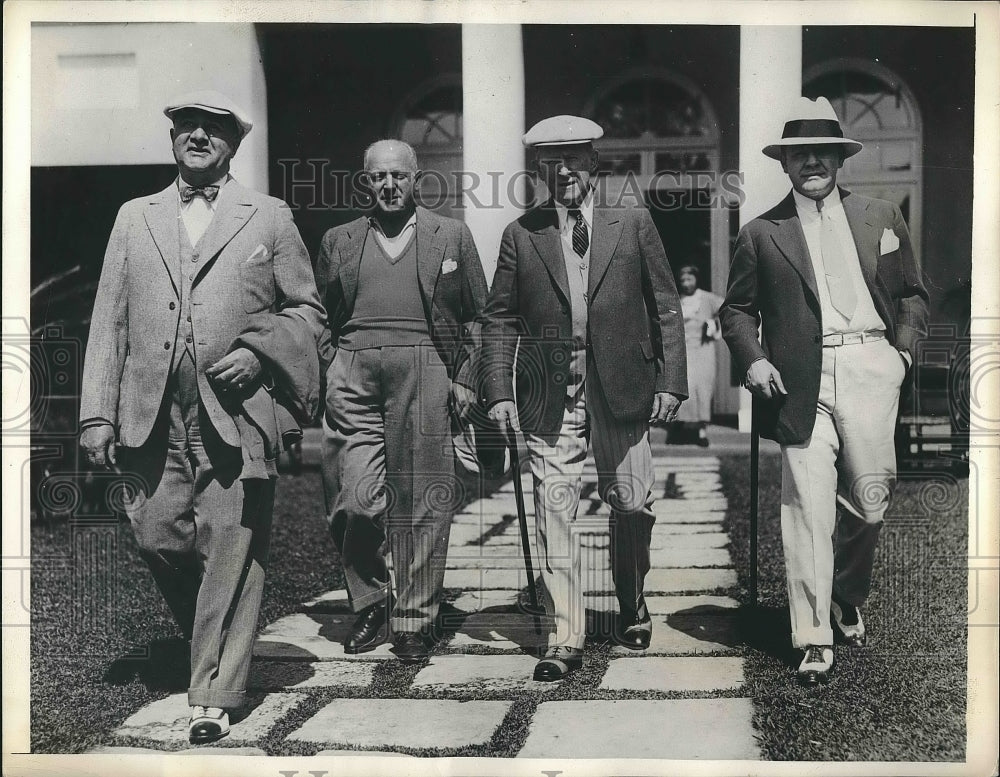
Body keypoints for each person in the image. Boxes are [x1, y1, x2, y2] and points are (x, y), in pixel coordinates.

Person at [79, 91, 324, 743]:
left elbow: (307, 311)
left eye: (213, 128)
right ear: (171, 138)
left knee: (231, 547)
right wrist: (95, 416)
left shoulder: (268, 217)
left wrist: (256, 351)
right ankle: (208, 641)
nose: (197, 134)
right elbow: (110, 321)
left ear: (233, 144)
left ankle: (214, 691)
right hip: (149, 414)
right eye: (186, 124)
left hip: (237, 411)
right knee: (157, 532)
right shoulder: (135, 217)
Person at [720, 96, 928, 686]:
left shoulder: (882, 215)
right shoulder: (762, 232)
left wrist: (902, 352)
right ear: (784, 164)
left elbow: (912, 293)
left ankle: (845, 594)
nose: (811, 161)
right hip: (797, 380)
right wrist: (754, 360)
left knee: (871, 499)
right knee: (806, 508)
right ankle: (811, 636)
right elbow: (736, 311)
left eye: (822, 152)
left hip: (870, 364)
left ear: (840, 158)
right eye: (799, 154)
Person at [481, 116, 688, 681]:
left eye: (574, 158)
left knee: (632, 503)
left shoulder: (632, 221)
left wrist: (671, 382)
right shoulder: (522, 234)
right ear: (540, 171)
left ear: (595, 163)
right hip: (552, 392)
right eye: (551, 162)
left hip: (623, 385)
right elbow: (498, 320)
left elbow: (664, 302)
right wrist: (498, 389)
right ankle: (565, 633)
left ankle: (631, 600)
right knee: (556, 508)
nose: (564, 171)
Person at [315, 139, 489, 663]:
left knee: (422, 501)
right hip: (354, 368)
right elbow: (317, 312)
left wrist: (465, 376)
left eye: (399, 176)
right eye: (377, 177)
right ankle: (370, 597)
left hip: (426, 365)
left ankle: (414, 618)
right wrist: (330, 366)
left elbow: (479, 315)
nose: (388, 186)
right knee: (355, 498)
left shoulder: (450, 234)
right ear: (365, 182)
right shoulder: (339, 240)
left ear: (417, 179)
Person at [671, 264, 724, 446]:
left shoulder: (707, 299)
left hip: (703, 351)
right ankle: (680, 428)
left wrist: (713, 323)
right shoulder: (678, 301)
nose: (686, 283)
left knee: (703, 389)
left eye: (689, 279)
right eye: (683, 280)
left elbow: (727, 310)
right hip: (684, 350)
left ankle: (702, 432)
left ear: (696, 279)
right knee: (685, 388)